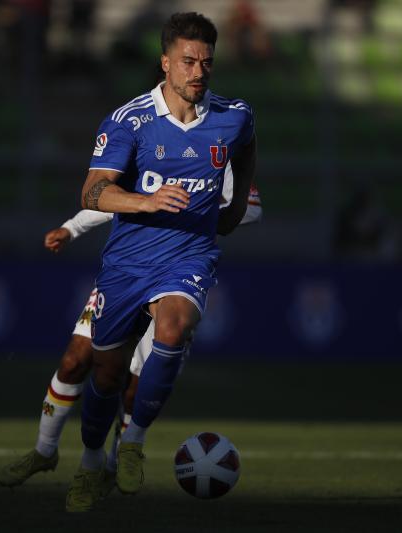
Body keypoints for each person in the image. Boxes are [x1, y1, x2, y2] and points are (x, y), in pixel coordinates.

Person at [66, 11, 256, 512]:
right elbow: (92, 191)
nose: (199, 71)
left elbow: (247, 145)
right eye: (188, 61)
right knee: (105, 376)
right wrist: (144, 202)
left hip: (189, 255)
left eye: (207, 63)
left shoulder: (234, 115)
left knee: (173, 329)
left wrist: (234, 210)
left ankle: (132, 443)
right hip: (127, 263)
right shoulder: (130, 121)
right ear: (165, 63)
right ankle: (90, 464)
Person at [0, 165, 261, 489]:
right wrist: (72, 228)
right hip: (126, 272)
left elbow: (252, 207)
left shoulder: (220, 143)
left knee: (136, 386)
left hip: (176, 278)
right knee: (75, 360)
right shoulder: (144, 133)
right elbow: (114, 197)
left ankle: (115, 461)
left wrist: (194, 211)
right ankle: (44, 450)